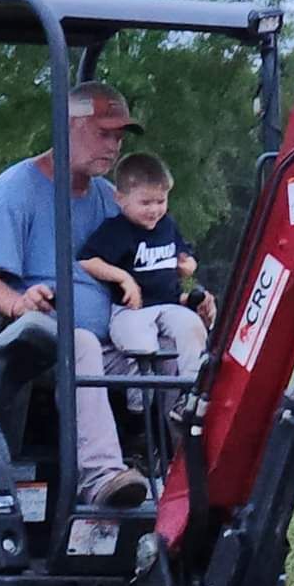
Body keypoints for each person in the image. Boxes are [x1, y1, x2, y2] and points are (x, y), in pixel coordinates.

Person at [0, 81, 153, 507]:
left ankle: (173, 469)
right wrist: (18, 303)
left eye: (119, 137)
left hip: (92, 346)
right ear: (68, 126)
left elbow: (137, 269)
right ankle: (100, 476)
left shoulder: (104, 197)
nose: (114, 146)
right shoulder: (15, 192)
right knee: (76, 340)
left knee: (164, 343)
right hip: (9, 344)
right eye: (104, 133)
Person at [77, 153, 209, 412]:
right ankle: (140, 408)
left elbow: (184, 256)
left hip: (168, 304)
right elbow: (87, 260)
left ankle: (192, 390)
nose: (154, 210)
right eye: (145, 202)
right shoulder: (117, 230)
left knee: (191, 328)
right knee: (140, 343)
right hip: (132, 310)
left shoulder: (167, 225)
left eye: (161, 201)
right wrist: (123, 277)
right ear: (120, 198)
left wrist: (188, 265)